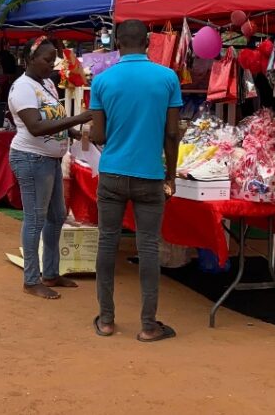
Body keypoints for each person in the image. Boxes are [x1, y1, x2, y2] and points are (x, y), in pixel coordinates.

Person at [89, 19, 182, 342]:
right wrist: (170, 175)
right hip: (150, 175)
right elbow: (172, 133)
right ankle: (148, 324)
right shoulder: (167, 78)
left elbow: (97, 134)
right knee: (148, 247)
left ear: (117, 42)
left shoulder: (102, 81)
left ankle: (107, 319)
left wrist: (117, 143)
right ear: (148, 43)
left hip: (112, 173)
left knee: (107, 243)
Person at [8, 37, 92, 300]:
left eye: (53, 59)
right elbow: (35, 126)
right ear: (29, 60)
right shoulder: (22, 88)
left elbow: (56, 119)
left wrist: (77, 133)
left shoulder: (46, 85)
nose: (51, 65)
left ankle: (51, 272)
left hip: (51, 159)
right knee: (35, 220)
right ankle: (31, 279)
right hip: (31, 158)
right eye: (46, 59)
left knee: (57, 216)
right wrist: (77, 118)